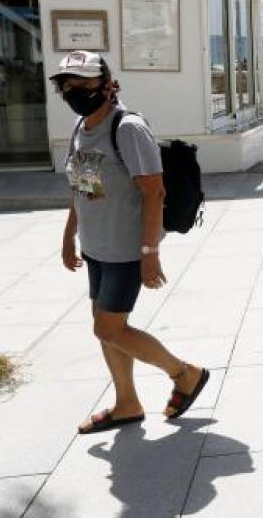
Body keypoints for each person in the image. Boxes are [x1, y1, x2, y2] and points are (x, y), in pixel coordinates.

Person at [52, 51, 208, 435]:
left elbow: (154, 193)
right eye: (67, 85)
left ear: (106, 84)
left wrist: (149, 254)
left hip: (126, 248)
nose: (75, 91)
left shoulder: (128, 128)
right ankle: (127, 403)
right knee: (106, 326)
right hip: (96, 246)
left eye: (84, 84)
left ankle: (185, 374)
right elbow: (83, 186)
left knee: (108, 329)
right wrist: (70, 235)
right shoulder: (82, 126)